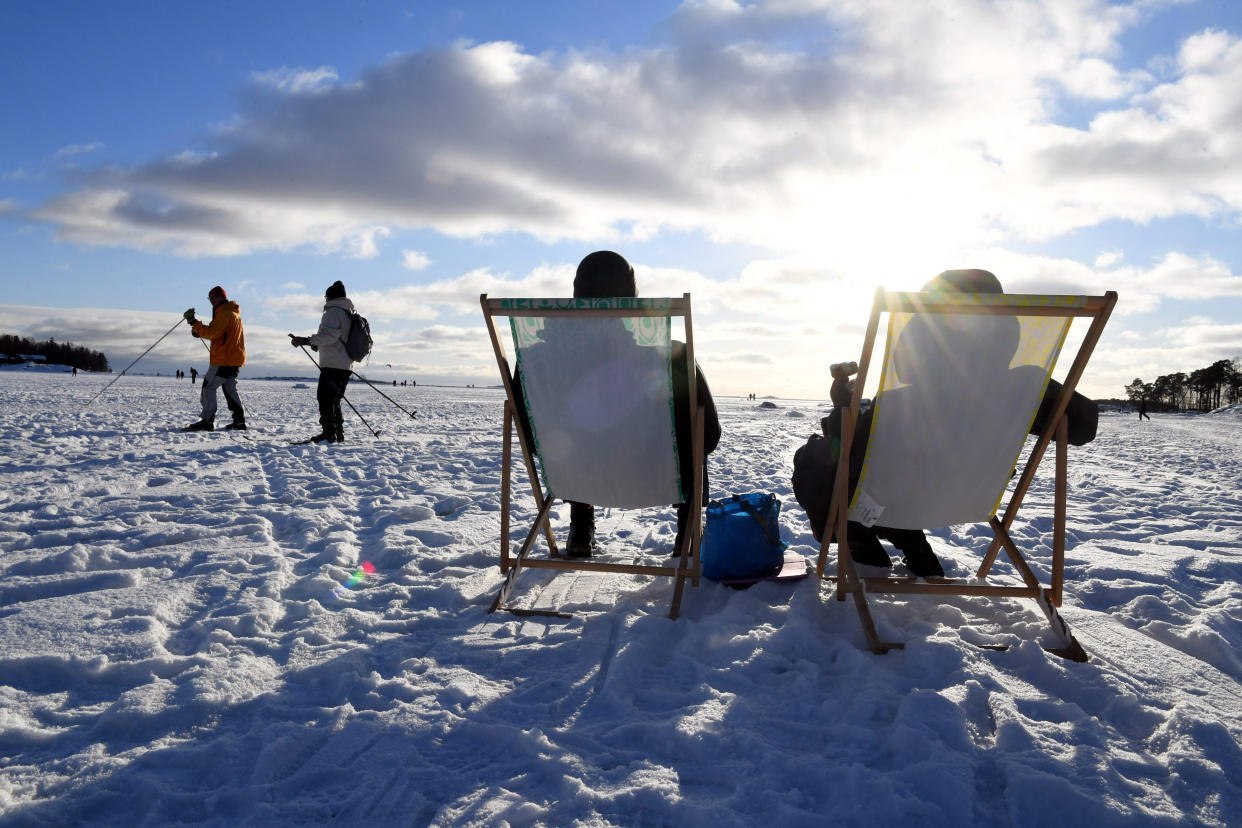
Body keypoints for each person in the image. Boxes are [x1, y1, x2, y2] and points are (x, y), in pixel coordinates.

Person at [793, 268, 1099, 577]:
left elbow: (847, 456)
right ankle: (914, 547)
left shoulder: (899, 403)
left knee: (816, 460)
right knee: (883, 472)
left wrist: (843, 407)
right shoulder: (1026, 387)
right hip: (973, 497)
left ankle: (863, 546)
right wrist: (1035, 395)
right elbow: (1084, 427)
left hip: (902, 495)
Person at [512, 250, 721, 557]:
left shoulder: (535, 361)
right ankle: (688, 530)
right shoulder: (670, 360)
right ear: (631, 300)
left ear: (577, 296)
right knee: (692, 427)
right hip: (652, 469)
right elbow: (709, 436)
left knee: (574, 443)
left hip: (574, 470)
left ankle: (581, 528)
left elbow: (532, 440)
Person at [290, 280, 355, 444]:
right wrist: (316, 344)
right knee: (334, 400)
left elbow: (329, 336)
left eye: (326, 296)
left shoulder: (333, 312)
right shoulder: (347, 312)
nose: (325, 300)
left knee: (325, 399)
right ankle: (336, 434)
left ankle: (329, 434)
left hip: (333, 364)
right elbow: (335, 338)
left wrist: (305, 340)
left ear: (331, 297)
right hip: (344, 364)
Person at [181, 286, 246, 432]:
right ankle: (239, 422)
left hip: (223, 360)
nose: (210, 302)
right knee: (230, 389)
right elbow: (220, 334)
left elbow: (212, 333)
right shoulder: (234, 313)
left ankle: (207, 421)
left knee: (208, 387)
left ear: (215, 297)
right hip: (234, 360)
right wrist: (199, 330)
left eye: (210, 299)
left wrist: (194, 322)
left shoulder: (224, 313)